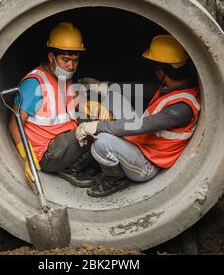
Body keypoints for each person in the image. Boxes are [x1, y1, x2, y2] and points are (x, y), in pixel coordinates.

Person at [75, 35, 201, 197]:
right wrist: (102, 86)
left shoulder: (181, 109)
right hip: (143, 144)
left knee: (101, 141)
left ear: (161, 71)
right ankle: (111, 155)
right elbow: (139, 88)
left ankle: (115, 178)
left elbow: (140, 125)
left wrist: (97, 126)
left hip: (147, 164)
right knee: (113, 96)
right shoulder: (177, 86)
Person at [9, 22, 98, 189]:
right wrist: (26, 155)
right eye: (65, 60)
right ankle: (71, 168)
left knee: (95, 121)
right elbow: (14, 123)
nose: (71, 66)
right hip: (47, 154)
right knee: (95, 130)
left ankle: (73, 162)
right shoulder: (35, 83)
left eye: (75, 60)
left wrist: (94, 107)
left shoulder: (63, 77)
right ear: (51, 57)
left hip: (62, 141)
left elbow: (72, 103)